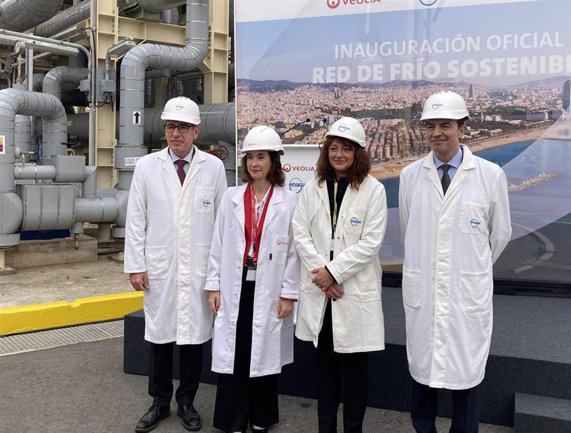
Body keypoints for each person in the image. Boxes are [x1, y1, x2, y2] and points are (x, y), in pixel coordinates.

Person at [398, 90, 512, 433]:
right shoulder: (410, 176)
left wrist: (468, 269)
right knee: (423, 372)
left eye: (445, 125)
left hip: (467, 294)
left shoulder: (489, 175)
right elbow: (409, 229)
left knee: (466, 374)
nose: (437, 133)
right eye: (430, 125)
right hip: (425, 291)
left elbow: (499, 235)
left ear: (462, 128)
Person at [125, 96, 227, 433]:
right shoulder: (147, 166)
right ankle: (159, 402)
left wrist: (217, 275)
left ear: (196, 131)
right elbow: (136, 218)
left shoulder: (212, 168)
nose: (175, 133)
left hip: (198, 269)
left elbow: (220, 222)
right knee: (160, 338)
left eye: (182, 127)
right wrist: (135, 265)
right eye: (170, 126)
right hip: (160, 267)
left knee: (193, 340)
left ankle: (187, 402)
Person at [292, 116, 388, 433]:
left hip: (352, 292)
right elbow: (300, 232)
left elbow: (371, 242)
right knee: (326, 373)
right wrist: (323, 276)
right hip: (323, 293)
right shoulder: (312, 187)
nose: (339, 155)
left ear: (357, 153)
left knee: (356, 376)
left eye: (346, 149)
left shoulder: (373, 191)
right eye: (333, 148)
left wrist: (334, 272)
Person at [205, 125, 299, 433]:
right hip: (236, 285)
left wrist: (288, 293)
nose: (254, 164)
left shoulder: (289, 201)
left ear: (274, 161)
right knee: (236, 351)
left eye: (261, 157)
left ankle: (261, 418)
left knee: (263, 353)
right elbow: (217, 245)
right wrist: (214, 285)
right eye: (250, 158)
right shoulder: (232, 197)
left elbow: (295, 253)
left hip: (269, 288)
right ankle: (233, 420)